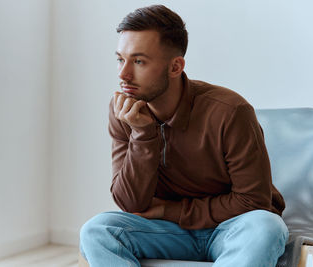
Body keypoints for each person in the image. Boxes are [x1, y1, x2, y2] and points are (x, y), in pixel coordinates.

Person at [80, 4, 288, 267]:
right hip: (169, 233)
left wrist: (170, 210)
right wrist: (143, 134)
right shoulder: (124, 110)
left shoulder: (230, 111)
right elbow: (130, 202)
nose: (123, 74)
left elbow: (253, 201)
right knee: (97, 230)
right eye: (120, 59)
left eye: (139, 61)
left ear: (175, 66)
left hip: (231, 228)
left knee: (267, 226)